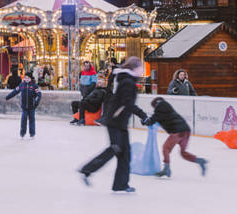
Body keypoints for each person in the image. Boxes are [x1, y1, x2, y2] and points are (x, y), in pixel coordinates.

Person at [78, 57, 148, 194]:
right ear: (135, 68)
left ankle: (121, 184)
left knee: (125, 153)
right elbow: (127, 103)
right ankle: (87, 169)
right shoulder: (127, 82)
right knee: (115, 148)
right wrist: (143, 115)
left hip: (120, 122)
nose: (142, 71)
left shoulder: (127, 79)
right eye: (141, 68)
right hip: (115, 121)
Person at [143, 97, 207, 178]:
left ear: (155, 104)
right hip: (186, 131)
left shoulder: (160, 107)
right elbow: (157, 118)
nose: (154, 109)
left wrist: (146, 121)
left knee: (166, 148)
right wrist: (149, 121)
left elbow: (153, 118)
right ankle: (200, 161)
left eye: (154, 107)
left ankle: (166, 169)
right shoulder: (166, 107)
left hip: (178, 131)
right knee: (183, 153)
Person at [5, 70, 41, 138]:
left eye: (28, 78)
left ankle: (32, 134)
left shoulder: (34, 86)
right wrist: (7, 97)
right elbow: (15, 91)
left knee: (32, 120)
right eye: (25, 78)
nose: (26, 79)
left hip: (32, 107)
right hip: (24, 107)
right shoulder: (22, 85)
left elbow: (39, 94)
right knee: (23, 120)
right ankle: (22, 133)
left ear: (31, 78)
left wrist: (36, 102)